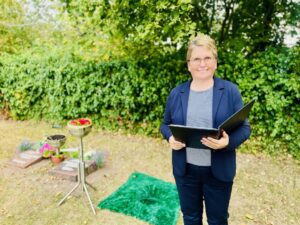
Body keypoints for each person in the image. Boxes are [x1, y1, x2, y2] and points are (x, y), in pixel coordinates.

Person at [160, 33, 251, 225]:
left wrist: (227, 143)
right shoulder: (176, 94)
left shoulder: (230, 91)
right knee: (191, 218)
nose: (203, 63)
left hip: (218, 170)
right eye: (197, 59)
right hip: (185, 171)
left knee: (217, 220)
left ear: (215, 62)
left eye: (207, 58)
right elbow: (165, 124)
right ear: (188, 64)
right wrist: (169, 138)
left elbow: (244, 128)